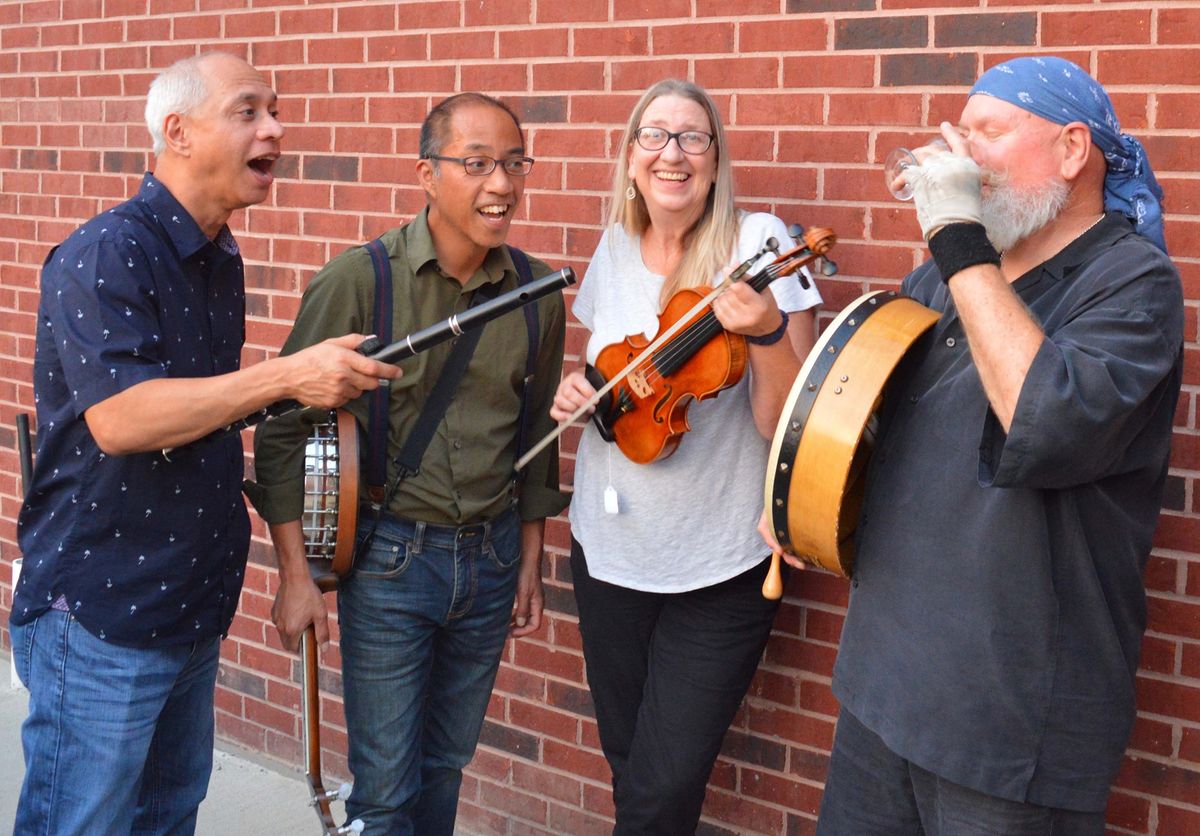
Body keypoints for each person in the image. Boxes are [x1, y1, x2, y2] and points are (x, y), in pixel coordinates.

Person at [768, 56, 1183, 834]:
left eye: (987, 133)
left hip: (1011, 725)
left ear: (1070, 150)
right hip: (882, 688)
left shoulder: (1133, 285)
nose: (961, 155)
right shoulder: (938, 280)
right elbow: (872, 436)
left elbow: (1045, 419)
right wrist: (797, 501)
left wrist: (960, 242)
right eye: (960, 134)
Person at [9, 52, 399, 836]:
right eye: (249, 110)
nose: (277, 130)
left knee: (167, 819)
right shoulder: (105, 252)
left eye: (276, 109)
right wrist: (286, 377)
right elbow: (122, 419)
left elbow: (205, 418)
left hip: (187, 606)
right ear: (178, 132)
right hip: (99, 615)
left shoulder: (218, 255)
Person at [249, 92, 568, 834]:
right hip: (390, 562)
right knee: (386, 793)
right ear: (427, 174)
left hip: (488, 564)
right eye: (478, 164)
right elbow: (280, 433)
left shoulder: (536, 292)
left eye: (514, 164)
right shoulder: (360, 281)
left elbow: (537, 440)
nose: (503, 184)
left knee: (443, 767)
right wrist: (297, 576)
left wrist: (529, 559)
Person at [551, 79, 822, 833]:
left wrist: (767, 331)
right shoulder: (613, 244)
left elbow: (784, 421)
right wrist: (582, 393)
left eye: (693, 137)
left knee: (662, 790)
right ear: (631, 159)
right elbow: (611, 370)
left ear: (715, 157)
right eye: (655, 136)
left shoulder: (755, 242)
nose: (673, 153)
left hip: (718, 561)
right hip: (608, 552)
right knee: (630, 763)